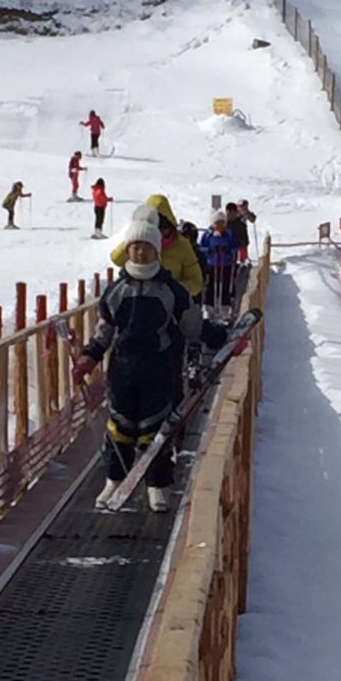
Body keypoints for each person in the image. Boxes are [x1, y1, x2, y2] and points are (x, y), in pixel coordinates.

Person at [72, 215, 202, 513]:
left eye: (146, 247)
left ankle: (157, 484)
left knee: (154, 429)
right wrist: (89, 357)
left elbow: (191, 324)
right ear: (127, 250)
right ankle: (115, 479)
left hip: (158, 367)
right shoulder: (118, 290)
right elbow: (105, 329)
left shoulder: (169, 288)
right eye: (135, 247)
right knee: (120, 425)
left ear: (157, 250)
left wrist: (217, 339)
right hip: (122, 367)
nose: (140, 253)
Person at [110, 194, 203, 298]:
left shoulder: (181, 245)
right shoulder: (139, 240)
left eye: (162, 229)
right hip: (136, 299)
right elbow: (116, 259)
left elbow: (196, 282)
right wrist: (133, 239)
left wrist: (173, 290)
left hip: (169, 306)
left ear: (169, 225)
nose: (158, 235)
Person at [200, 211, 240, 310]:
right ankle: (209, 307)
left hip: (226, 263)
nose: (220, 225)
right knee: (211, 285)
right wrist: (210, 250)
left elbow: (235, 247)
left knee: (225, 284)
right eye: (217, 223)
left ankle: (225, 306)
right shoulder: (208, 235)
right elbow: (201, 247)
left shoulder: (229, 234)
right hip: (212, 263)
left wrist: (228, 250)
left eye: (222, 222)